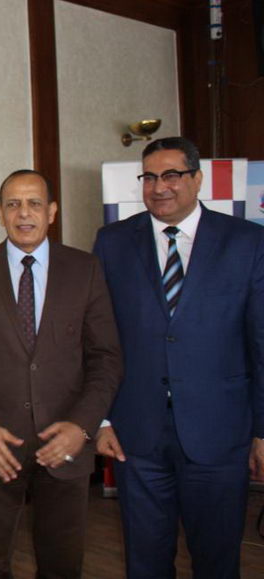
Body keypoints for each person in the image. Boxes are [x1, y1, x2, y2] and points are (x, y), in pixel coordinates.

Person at [0, 169, 122, 578]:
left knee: (62, 565)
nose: (24, 213)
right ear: (0, 213)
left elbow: (106, 358)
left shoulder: (85, 269)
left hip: (65, 443)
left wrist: (83, 427)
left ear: (52, 211)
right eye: (13, 204)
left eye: (34, 203)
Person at [93, 136, 264, 577]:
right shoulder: (112, 242)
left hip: (220, 433)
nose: (159, 187)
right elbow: (98, 339)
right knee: (145, 561)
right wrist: (102, 419)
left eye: (171, 175)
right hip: (137, 434)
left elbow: (261, 342)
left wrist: (263, 430)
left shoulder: (247, 241)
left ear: (197, 179)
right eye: (149, 177)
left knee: (217, 560)